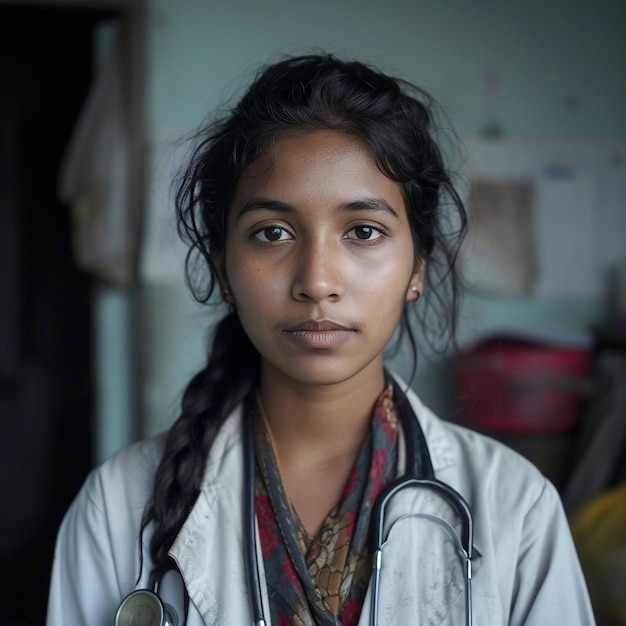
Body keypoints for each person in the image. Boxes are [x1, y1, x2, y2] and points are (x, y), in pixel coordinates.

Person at [46, 54, 595, 625]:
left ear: (417, 267)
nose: (317, 281)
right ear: (223, 269)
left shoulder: (516, 508)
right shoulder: (117, 507)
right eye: (273, 233)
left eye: (363, 231)